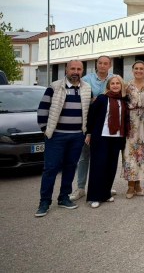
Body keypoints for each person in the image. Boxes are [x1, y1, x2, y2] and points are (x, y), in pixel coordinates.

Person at [35, 60, 92, 217]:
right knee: (51, 168)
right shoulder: (54, 87)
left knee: (70, 167)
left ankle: (64, 198)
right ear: (66, 70)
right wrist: (46, 130)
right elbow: (42, 110)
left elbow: (89, 112)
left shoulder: (87, 89)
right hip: (56, 136)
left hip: (77, 136)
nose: (75, 71)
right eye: (72, 68)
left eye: (79, 69)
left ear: (82, 71)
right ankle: (44, 202)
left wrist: (85, 132)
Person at [70, 55, 112, 202]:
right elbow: (80, 98)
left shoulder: (113, 79)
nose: (102, 66)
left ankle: (103, 187)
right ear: (96, 64)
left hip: (106, 124)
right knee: (84, 156)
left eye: (105, 63)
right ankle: (81, 187)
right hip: (89, 122)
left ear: (110, 65)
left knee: (103, 157)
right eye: (100, 63)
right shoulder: (86, 80)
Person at [86, 75, 128, 208]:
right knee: (98, 166)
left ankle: (105, 193)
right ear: (108, 86)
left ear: (121, 86)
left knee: (111, 166)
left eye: (118, 83)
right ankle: (94, 196)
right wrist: (89, 133)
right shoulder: (102, 99)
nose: (115, 85)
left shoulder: (123, 101)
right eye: (113, 83)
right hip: (101, 137)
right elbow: (91, 116)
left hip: (117, 138)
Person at [122, 60, 144, 199]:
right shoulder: (126, 86)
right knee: (129, 153)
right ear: (132, 70)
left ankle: (138, 184)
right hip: (130, 122)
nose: (139, 71)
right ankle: (130, 185)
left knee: (143, 153)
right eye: (136, 68)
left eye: (141, 68)